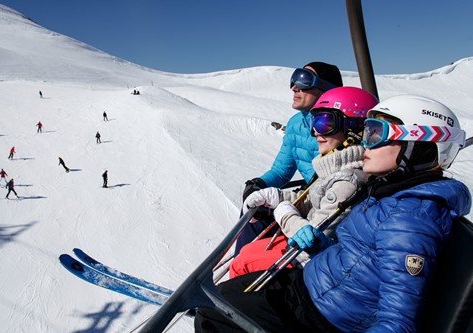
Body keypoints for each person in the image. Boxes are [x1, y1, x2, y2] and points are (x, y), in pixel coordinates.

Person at [194, 95, 471, 332]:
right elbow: (363, 258)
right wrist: (323, 246)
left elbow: (397, 320)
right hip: (314, 288)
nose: (365, 143)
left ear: (417, 147)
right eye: (365, 132)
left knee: (214, 314)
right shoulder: (391, 194)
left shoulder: (410, 221)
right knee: (218, 299)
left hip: (322, 315)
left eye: (376, 133)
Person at [230, 87, 378, 278]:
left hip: (310, 260)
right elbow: (311, 199)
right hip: (302, 245)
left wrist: (284, 212)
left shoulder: (348, 181)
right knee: (249, 251)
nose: (316, 132)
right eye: (314, 122)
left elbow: (315, 236)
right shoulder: (333, 166)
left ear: (354, 129)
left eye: (325, 123)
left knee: (243, 263)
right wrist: (276, 196)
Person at [236, 62, 343, 254]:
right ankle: (239, 271)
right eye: (294, 79)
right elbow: (281, 170)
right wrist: (257, 184)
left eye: (304, 80)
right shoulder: (296, 124)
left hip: (325, 207)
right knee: (253, 214)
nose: (294, 87)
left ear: (327, 88)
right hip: (306, 198)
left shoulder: (339, 128)